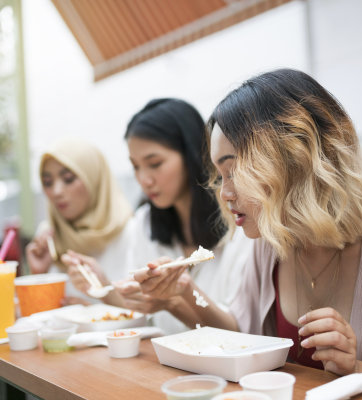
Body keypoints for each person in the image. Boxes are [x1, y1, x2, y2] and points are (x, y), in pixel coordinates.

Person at [132, 69, 362, 400]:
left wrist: (356, 367)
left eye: (235, 170)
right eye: (219, 174)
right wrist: (183, 294)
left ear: (294, 158)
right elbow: (241, 335)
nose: (224, 192)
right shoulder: (271, 244)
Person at [65, 98, 253, 334]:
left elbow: (242, 333)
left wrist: (173, 301)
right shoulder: (145, 224)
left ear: (191, 154)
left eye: (154, 163)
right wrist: (102, 286)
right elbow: (145, 314)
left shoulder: (242, 223)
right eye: (135, 166)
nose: (144, 179)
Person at [25, 138, 133, 303]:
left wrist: (96, 308)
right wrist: (39, 275)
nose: (56, 191)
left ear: (94, 179)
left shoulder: (130, 232)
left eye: (68, 179)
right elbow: (40, 318)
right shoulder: (48, 237)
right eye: (48, 182)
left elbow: (150, 318)